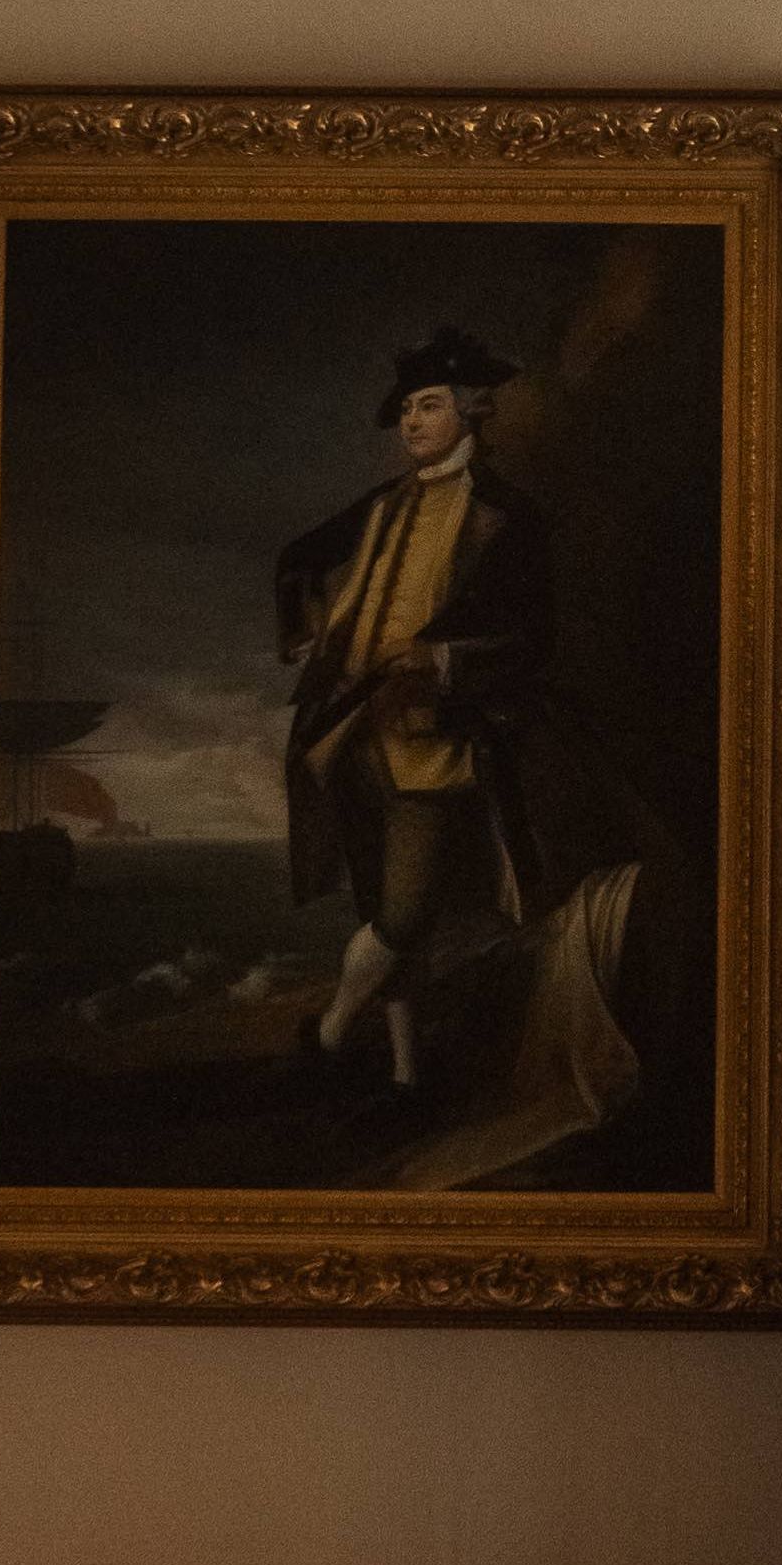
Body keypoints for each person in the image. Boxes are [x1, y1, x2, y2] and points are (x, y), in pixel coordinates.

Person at [271, 327, 552, 1087]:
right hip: (356, 734)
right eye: (405, 412)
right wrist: (302, 631)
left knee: (402, 916)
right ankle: (406, 1079)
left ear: (469, 411)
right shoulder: (382, 505)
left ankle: (326, 1036)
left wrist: (443, 658)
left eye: (428, 407)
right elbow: (298, 556)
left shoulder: (506, 515)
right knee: (382, 911)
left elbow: (535, 639)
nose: (412, 423)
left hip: (437, 740)